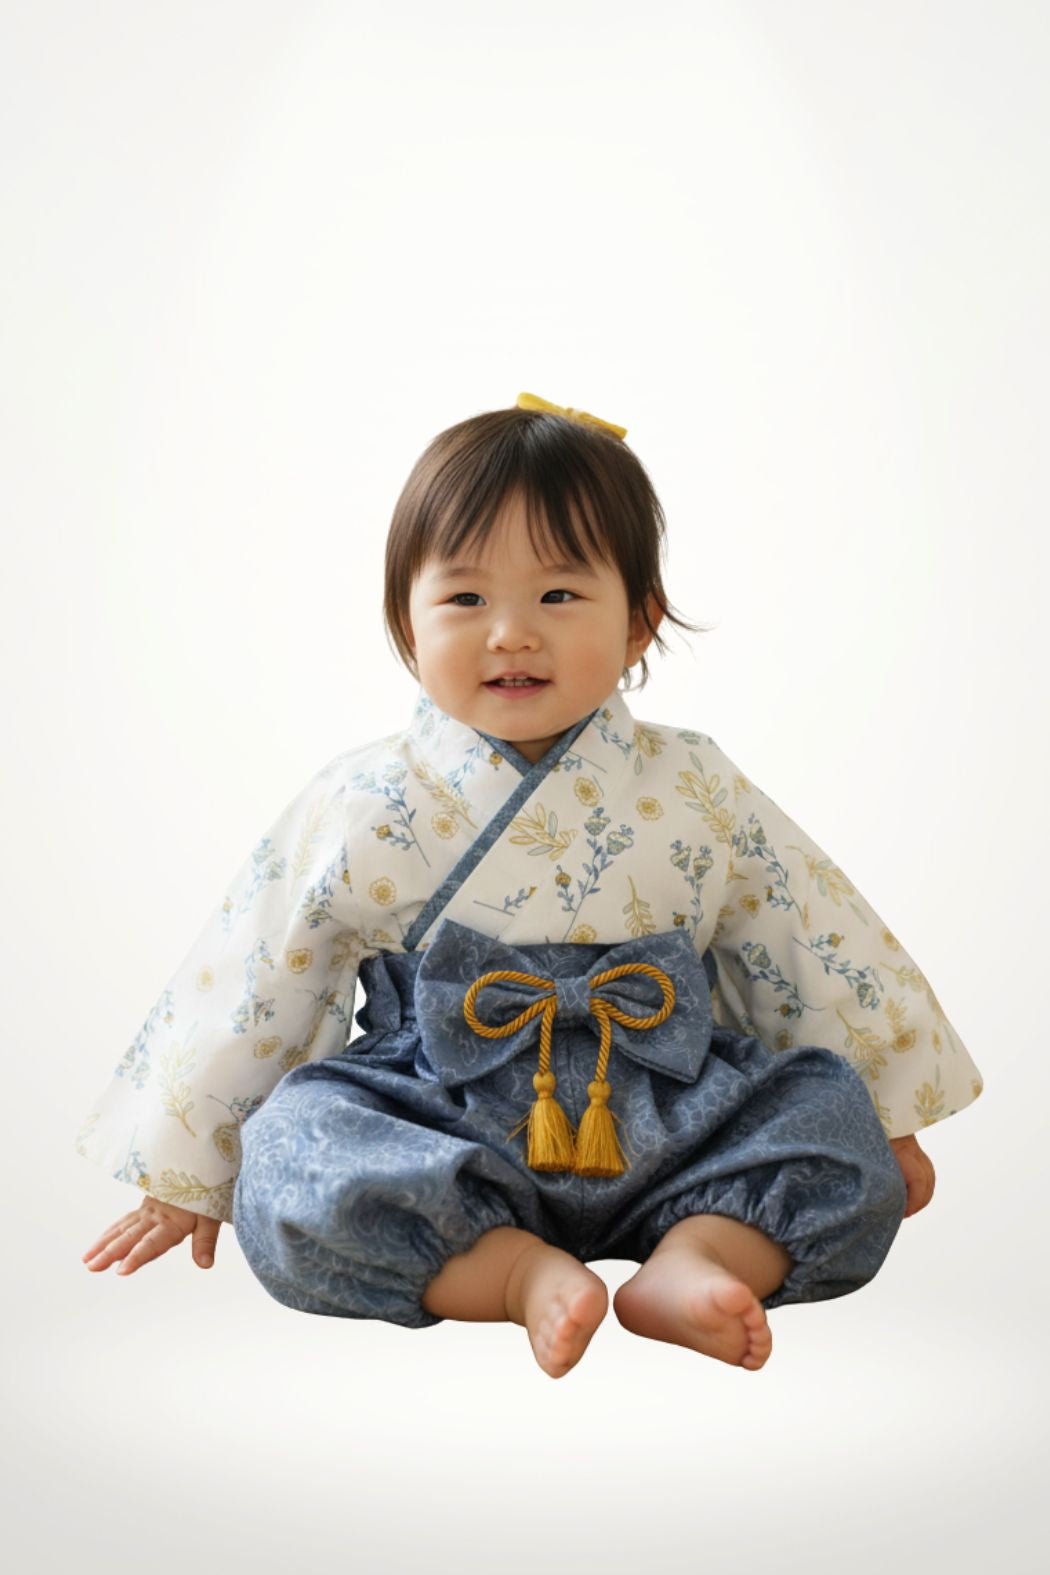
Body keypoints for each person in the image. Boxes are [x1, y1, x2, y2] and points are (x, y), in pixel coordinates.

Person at [76, 391, 983, 1379]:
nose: (511, 633)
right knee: (293, 1160)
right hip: (436, 1117)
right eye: (465, 600)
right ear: (405, 624)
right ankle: (514, 1275)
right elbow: (265, 973)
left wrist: (887, 1112)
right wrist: (194, 1168)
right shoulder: (365, 800)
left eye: (558, 596)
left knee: (836, 1138)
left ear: (638, 624)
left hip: (677, 1108)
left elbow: (803, 935)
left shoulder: (696, 784)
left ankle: (694, 1259)